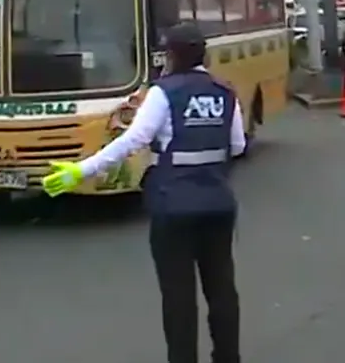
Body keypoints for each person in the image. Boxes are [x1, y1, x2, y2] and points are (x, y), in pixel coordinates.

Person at [41, 22, 246, 362]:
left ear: (173, 55)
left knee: (178, 296)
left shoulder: (164, 93)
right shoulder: (225, 92)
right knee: (222, 289)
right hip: (218, 205)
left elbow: (133, 140)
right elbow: (237, 146)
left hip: (173, 208)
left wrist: (82, 169)